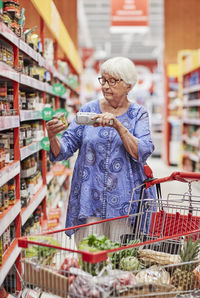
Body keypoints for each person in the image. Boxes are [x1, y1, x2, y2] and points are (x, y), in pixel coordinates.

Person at [46, 56, 156, 244]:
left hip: (125, 202)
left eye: (112, 81)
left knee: (121, 259)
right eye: (103, 80)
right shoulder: (88, 110)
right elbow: (63, 151)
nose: (105, 86)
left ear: (128, 86)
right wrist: (52, 136)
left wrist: (118, 126)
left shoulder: (138, 114)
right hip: (89, 197)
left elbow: (142, 152)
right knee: (91, 258)